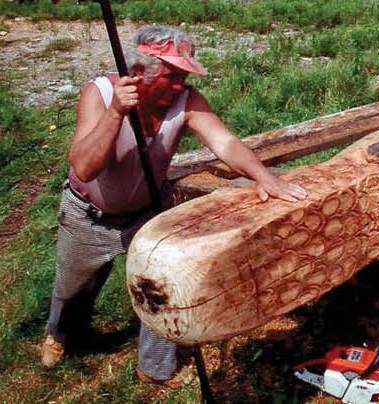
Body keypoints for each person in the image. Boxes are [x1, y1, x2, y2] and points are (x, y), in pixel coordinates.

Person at [41, 25, 307, 386]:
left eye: (184, 75)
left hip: (148, 211)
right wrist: (116, 113)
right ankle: (60, 335)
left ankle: (155, 368)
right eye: (173, 76)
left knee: (162, 286)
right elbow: (85, 166)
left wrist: (264, 176)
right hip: (88, 216)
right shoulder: (101, 94)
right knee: (73, 287)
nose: (180, 85)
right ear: (139, 73)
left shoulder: (186, 101)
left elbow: (225, 143)